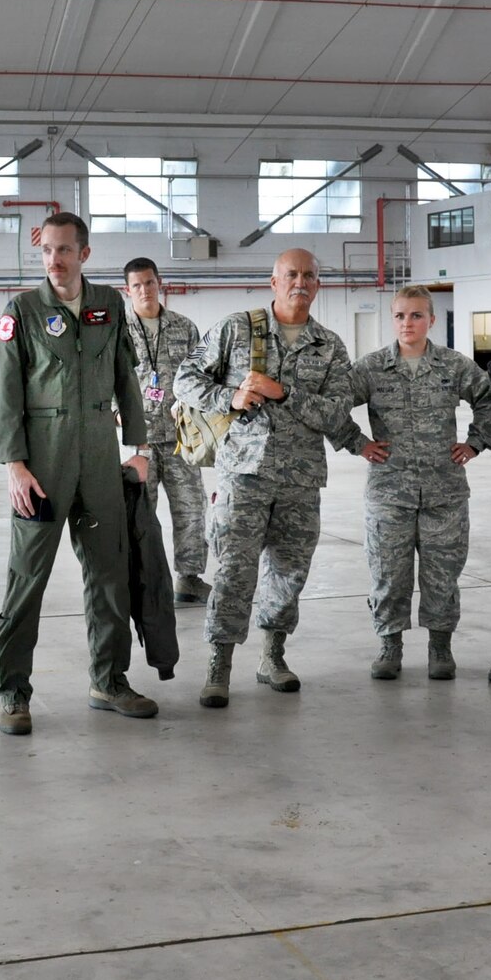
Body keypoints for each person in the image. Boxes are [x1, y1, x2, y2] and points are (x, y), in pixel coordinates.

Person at [0, 212, 155, 733]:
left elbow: (126, 375)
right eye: (46, 251)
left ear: (84, 254)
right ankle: (13, 691)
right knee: (27, 577)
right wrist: (14, 465)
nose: (54, 261)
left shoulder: (108, 304)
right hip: (43, 463)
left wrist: (140, 446)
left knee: (109, 575)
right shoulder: (23, 310)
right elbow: (6, 393)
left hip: (101, 460)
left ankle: (109, 680)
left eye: (64, 250)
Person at [175, 249, 356, 706]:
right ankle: (220, 666)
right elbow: (184, 379)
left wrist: (284, 393)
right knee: (235, 571)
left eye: (309, 275)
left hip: (300, 479)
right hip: (243, 476)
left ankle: (272, 656)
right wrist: (229, 397)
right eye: (291, 274)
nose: (301, 282)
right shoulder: (237, 328)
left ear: (318, 284)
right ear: (273, 281)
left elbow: (337, 413)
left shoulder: (329, 345)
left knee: (290, 573)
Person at [336, 285, 491, 680]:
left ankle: (440, 647)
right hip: (389, 490)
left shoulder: (452, 366)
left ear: (430, 319)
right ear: (391, 319)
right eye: (399, 316)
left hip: (443, 489)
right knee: (388, 572)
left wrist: (476, 443)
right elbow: (332, 403)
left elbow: (489, 399)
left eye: (415, 316)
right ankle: (389, 645)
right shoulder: (372, 368)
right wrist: (356, 443)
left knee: (442, 572)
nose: (407, 323)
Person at [122, 257, 211, 603]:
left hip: (180, 438)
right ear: (127, 290)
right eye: (137, 285)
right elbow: (106, 378)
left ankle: (189, 579)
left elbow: (201, 374)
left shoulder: (184, 327)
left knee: (190, 509)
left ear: (160, 283)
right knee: (139, 512)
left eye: (150, 282)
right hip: (136, 439)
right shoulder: (119, 330)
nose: (145, 290)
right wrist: (117, 412)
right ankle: (141, 582)